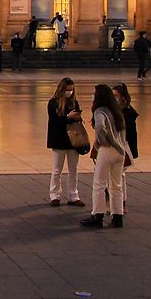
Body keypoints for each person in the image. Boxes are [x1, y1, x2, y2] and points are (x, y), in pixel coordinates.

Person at [81, 84, 128, 228]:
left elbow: (100, 127)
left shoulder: (100, 111)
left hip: (107, 149)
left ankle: (98, 215)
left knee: (99, 183)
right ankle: (117, 216)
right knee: (116, 185)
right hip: (120, 151)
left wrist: (102, 142)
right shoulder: (116, 111)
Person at [47, 77, 86, 208]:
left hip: (73, 140)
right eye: (67, 89)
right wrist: (68, 118)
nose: (69, 92)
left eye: (71, 89)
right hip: (59, 139)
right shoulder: (53, 103)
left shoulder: (74, 103)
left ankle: (73, 195)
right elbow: (54, 121)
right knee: (57, 169)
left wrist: (77, 118)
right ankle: (55, 195)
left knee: (73, 169)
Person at [113, 83, 137, 209]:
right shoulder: (113, 110)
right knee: (116, 176)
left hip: (124, 145)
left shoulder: (127, 112)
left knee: (120, 175)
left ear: (122, 97)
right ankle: (117, 202)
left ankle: (120, 202)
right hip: (116, 145)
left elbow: (130, 134)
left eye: (116, 96)